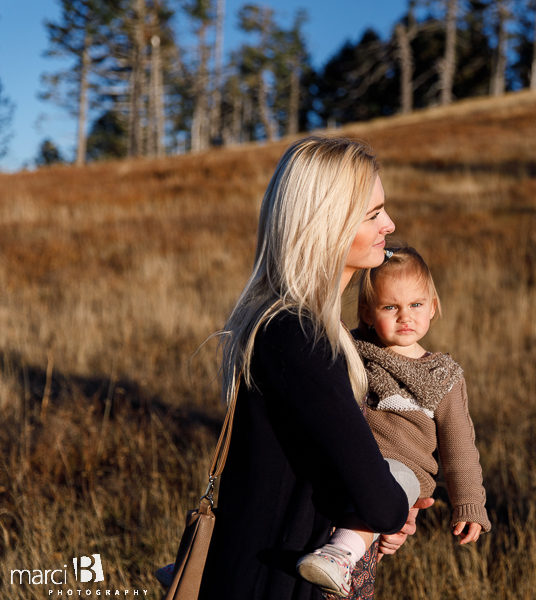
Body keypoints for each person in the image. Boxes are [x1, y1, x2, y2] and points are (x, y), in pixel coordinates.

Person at [196, 136, 432, 600]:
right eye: (372, 214)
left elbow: (317, 469)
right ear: (328, 224)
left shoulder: (295, 325)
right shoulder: (298, 335)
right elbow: (381, 503)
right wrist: (395, 501)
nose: (390, 223)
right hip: (274, 583)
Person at [297, 246, 491, 598]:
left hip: (404, 475)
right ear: (367, 313)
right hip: (352, 465)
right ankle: (209, 563)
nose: (406, 317)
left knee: (390, 483)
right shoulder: (356, 350)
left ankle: (341, 555)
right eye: (391, 307)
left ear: (433, 306)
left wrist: (469, 504)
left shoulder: (442, 376)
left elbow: (460, 446)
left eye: (416, 305)